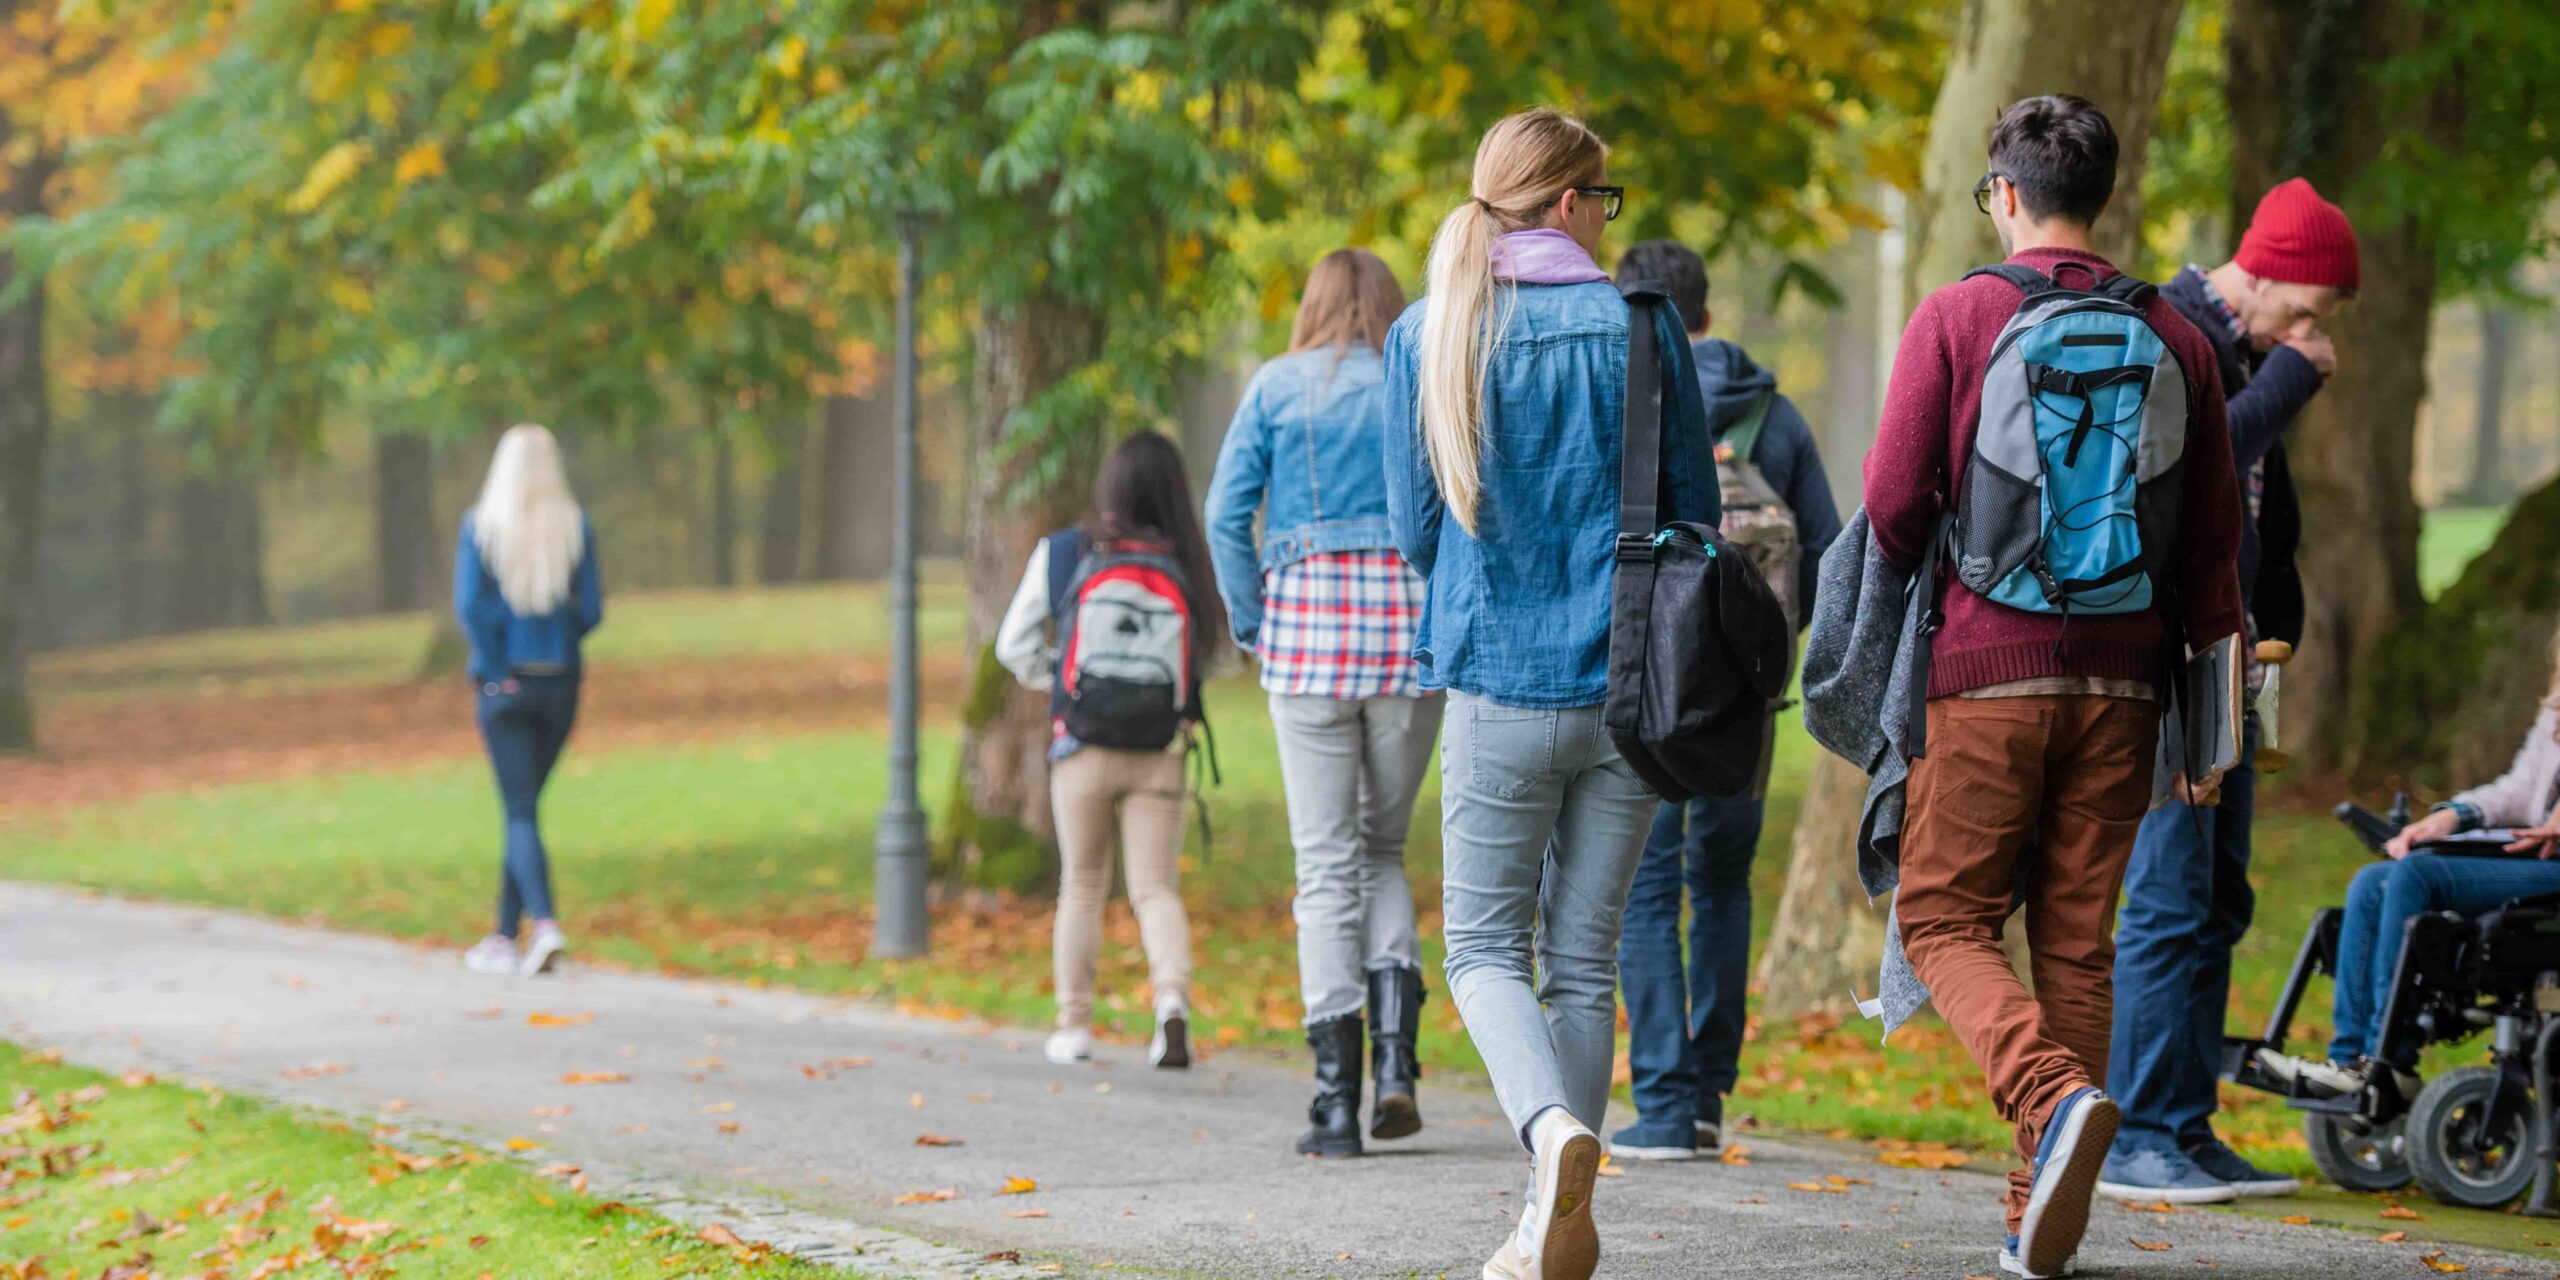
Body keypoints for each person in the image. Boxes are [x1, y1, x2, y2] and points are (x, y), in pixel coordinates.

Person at [1862, 96, 2244, 1280]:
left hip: (1987, 670)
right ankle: (2039, 1210)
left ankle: (2049, 1091)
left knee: (1939, 916)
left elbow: (1890, 503)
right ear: (2104, 195)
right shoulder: (2179, 337)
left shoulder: (1958, 315)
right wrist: (2213, 722)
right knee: (2077, 941)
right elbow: (2213, 549)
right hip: (2127, 683)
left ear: (2004, 193)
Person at [1382, 108, 1716, 1280]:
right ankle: (1548, 1210)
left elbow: (1415, 529)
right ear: (1570, 203)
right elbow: (1693, 517)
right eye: (1604, 200)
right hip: (1630, 690)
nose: (1607, 221)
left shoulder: (1429, 330)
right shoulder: (1644, 327)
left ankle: (1548, 1137)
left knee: (1481, 948)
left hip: (1497, 682)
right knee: (1582, 958)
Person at [2102, 179, 2360, 1204]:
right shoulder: (2175, 333)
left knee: (2219, 900)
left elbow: (2258, 506)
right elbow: (2193, 467)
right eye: (2309, 308)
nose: (2313, 332)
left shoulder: (2249, 352)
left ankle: (2185, 1125)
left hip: (2234, 662)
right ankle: (2133, 1136)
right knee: (2168, 897)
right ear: (2267, 273)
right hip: (2169, 660)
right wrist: (2292, 376)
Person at [1605, 239, 1841, 1161]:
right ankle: (1706, 1096)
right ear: (1704, 312)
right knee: (1723, 882)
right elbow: (1825, 547)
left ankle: (1663, 1104)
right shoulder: (1774, 414)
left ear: (1632, 312)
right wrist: (1768, 655)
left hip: (1650, 689)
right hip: (1747, 698)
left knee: (1647, 884)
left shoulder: (1629, 396)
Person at [1205, 248, 1442, 1159]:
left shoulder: (1277, 385)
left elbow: (1226, 515)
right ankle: (1397, 1069)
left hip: (1306, 645)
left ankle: (1335, 1105)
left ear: (1311, 305)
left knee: (1325, 864)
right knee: (1382, 850)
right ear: (1388, 304)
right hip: (1407, 641)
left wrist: (1253, 620)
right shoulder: (1420, 381)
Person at [995, 431, 1225, 1071]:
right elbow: (1223, 657)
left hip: (1082, 748)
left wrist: (1064, 681)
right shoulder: (1190, 560)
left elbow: (1012, 646)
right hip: (1162, 750)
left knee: (1082, 885)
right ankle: (1171, 1005)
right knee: (1155, 888)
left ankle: (1074, 1027)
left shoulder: (1065, 551)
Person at [2259, 630, 2560, 1098]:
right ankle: (2350, 1058)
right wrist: (2452, 817)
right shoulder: (2556, 709)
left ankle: (2387, 1057)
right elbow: (2520, 790)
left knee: (2415, 875)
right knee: (2372, 882)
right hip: (2531, 854)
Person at [454, 423, 604, 979]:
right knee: (525, 810)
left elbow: (470, 606)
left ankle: (542, 924)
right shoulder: (574, 527)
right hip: (560, 683)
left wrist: (497, 668)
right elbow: (591, 611)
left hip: (505, 687)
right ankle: (502, 936)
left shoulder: (482, 526)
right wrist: (557, 641)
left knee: (520, 811)